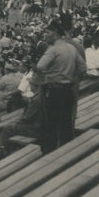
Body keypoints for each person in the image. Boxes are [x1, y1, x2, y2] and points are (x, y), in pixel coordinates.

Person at [34, 21, 84, 154]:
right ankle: (66, 153)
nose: (45, 35)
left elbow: (40, 66)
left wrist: (49, 75)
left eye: (48, 33)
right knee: (66, 123)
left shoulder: (53, 49)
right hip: (68, 89)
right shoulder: (71, 48)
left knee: (50, 123)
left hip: (53, 89)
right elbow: (82, 68)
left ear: (55, 34)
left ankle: (49, 153)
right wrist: (71, 77)